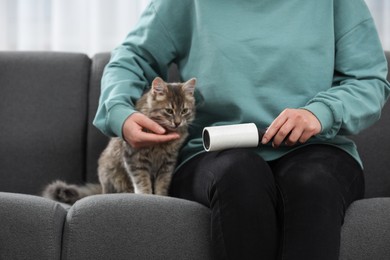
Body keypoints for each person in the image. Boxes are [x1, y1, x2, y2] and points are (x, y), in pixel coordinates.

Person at [93, 0, 390, 259]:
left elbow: (369, 80)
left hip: (317, 149)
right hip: (215, 154)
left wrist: (321, 112)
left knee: (312, 181)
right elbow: (130, 59)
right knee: (239, 174)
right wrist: (120, 113)